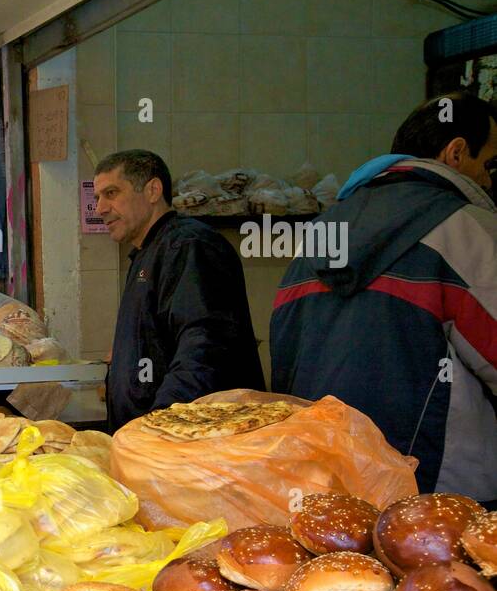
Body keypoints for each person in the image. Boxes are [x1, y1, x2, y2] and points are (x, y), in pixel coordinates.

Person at [271, 93, 497, 501]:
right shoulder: (467, 228)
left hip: (324, 482)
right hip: (442, 491)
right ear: (457, 152)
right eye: (490, 164)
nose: (489, 180)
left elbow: (284, 357)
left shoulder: (320, 231)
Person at [95, 149, 265, 431]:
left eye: (111, 193)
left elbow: (205, 346)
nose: (100, 208)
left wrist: (160, 424)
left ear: (152, 190)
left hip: (189, 442)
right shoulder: (148, 252)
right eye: (98, 197)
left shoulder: (189, 245)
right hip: (151, 443)